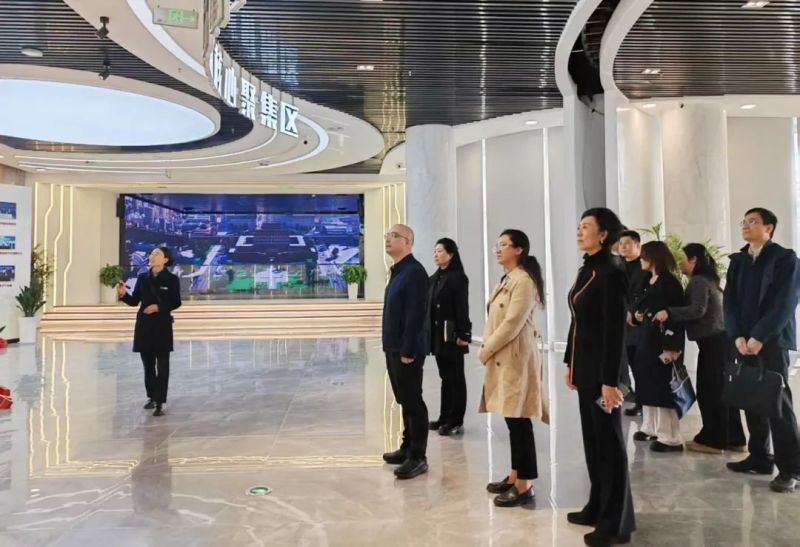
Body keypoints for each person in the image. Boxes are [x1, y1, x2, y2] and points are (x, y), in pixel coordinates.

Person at [565, 208, 635, 546]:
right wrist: (570, 363)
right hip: (586, 370)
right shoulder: (588, 268)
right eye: (579, 226)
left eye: (586, 227)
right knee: (594, 444)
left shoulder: (612, 272)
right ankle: (597, 506)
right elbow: (577, 321)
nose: (580, 231)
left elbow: (615, 332)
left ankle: (616, 523)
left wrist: (610, 381)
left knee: (609, 446)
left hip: (603, 375)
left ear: (603, 234)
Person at [723, 207, 800, 493]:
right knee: (750, 398)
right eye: (744, 221)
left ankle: (792, 468)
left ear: (769, 228)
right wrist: (737, 336)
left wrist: (760, 336)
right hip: (743, 342)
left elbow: (785, 302)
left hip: (772, 342)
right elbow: (729, 302)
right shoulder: (739, 261)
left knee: (777, 403)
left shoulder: (785, 258)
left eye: (753, 221)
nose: (745, 225)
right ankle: (759, 457)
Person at [653, 243, 746, 454]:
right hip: (720, 341)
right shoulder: (710, 280)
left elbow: (697, 310)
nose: (680, 263)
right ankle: (734, 439)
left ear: (694, 260)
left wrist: (669, 312)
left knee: (710, 392)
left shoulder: (698, 281)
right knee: (722, 391)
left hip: (713, 343)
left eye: (683, 259)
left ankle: (713, 441)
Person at [479, 229, 545, 508]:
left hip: (515, 360)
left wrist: (486, 349)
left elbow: (511, 324)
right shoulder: (508, 279)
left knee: (520, 421)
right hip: (504, 358)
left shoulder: (524, 281)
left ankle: (525, 485)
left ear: (519, 250)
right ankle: (515, 475)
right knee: (512, 419)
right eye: (498, 244)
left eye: (504, 245)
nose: (498, 249)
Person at [380, 224, 430, 480]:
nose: (388, 239)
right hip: (394, 347)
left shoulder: (415, 272)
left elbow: (416, 315)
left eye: (394, 236)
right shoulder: (398, 271)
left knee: (413, 401)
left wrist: (408, 348)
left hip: (406, 350)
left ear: (408, 242)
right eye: (387, 235)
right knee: (404, 400)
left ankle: (418, 457)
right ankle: (407, 447)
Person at [632, 241, 686, 453]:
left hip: (663, 342)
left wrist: (673, 347)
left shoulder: (670, 283)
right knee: (647, 384)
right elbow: (639, 304)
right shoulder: (647, 280)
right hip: (646, 339)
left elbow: (676, 317)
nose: (641, 260)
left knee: (662, 387)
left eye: (644, 256)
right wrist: (637, 315)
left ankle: (670, 436)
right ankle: (650, 427)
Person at [117, 247, 182, 417]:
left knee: (162, 365)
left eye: (157, 254)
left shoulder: (172, 279)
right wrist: (123, 294)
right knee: (148, 365)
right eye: (152, 254)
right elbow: (134, 301)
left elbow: (176, 302)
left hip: (162, 326)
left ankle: (160, 401)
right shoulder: (143, 277)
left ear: (165, 259)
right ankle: (152, 396)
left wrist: (158, 307)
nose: (152, 256)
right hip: (144, 326)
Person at [428, 238, 472, 437]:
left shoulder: (458, 278)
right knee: (445, 377)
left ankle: (455, 420)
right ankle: (444, 417)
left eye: (440, 251)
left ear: (451, 254)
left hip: (453, 335)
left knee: (456, 378)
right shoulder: (434, 278)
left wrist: (464, 333)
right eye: (435, 251)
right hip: (438, 336)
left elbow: (462, 307)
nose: (436, 254)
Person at [618, 230, 650, 417]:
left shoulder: (644, 267)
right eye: (621, 243)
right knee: (625, 363)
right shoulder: (618, 266)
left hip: (638, 324)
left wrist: (632, 310)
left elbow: (645, 294)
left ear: (637, 245)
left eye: (627, 243)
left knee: (639, 365)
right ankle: (627, 396)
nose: (622, 246)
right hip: (620, 324)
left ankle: (643, 403)